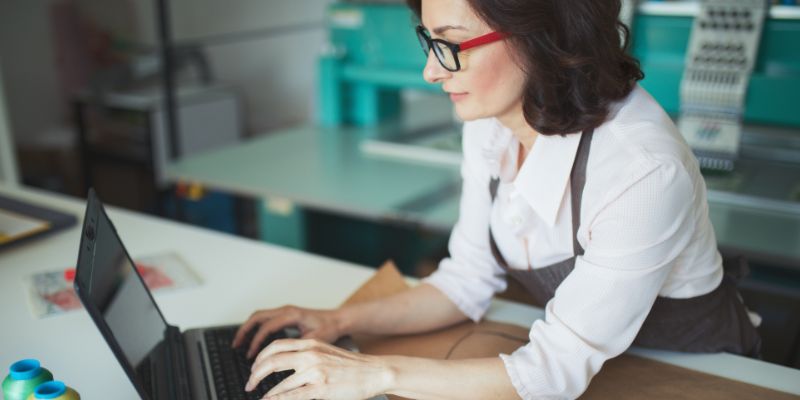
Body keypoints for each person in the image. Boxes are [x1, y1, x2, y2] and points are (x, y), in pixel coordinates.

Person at [235, 0, 762, 398]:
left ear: (540, 40)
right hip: (594, 368)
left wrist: (373, 373)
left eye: (451, 45)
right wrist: (338, 323)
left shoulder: (643, 171)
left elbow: (553, 370)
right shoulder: (493, 122)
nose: (431, 71)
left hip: (693, 375)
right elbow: (466, 281)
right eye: (429, 41)